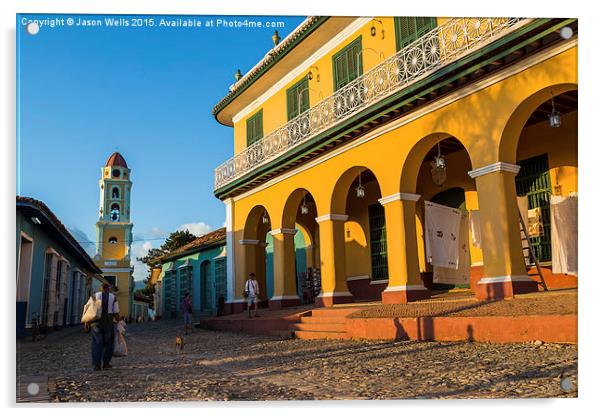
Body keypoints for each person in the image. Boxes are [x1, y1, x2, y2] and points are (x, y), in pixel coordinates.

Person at [85, 283, 119, 371]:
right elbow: (116, 312)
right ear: (108, 288)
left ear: (101, 288)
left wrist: (86, 322)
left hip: (95, 322)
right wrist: (119, 321)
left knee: (96, 343)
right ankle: (106, 363)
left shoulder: (94, 296)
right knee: (108, 343)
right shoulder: (113, 297)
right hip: (108, 322)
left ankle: (96, 365)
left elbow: (88, 308)